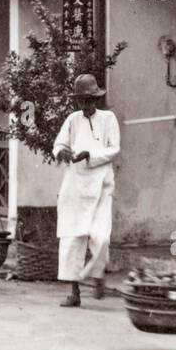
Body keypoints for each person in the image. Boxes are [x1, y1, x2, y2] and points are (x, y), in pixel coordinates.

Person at [54, 73, 120, 307]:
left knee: (101, 236)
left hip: (101, 183)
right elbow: (59, 143)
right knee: (72, 237)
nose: (86, 105)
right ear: (78, 101)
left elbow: (114, 149)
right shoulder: (72, 120)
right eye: (82, 100)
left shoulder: (108, 118)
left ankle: (98, 273)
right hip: (75, 183)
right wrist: (62, 152)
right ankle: (74, 292)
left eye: (90, 100)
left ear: (97, 99)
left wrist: (90, 155)